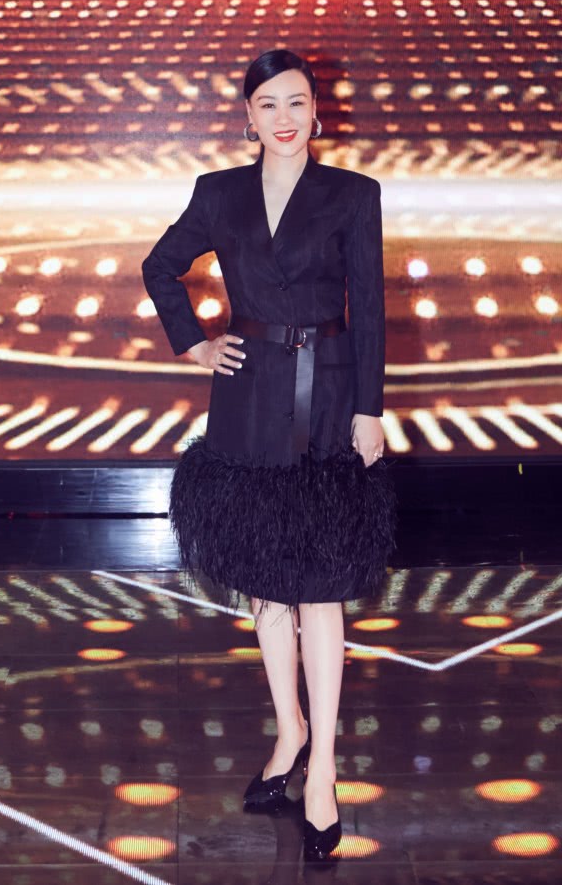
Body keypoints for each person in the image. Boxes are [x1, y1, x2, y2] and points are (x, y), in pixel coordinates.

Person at [141, 48, 397, 861]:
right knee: (266, 584)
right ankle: (288, 731)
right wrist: (193, 342)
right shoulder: (217, 193)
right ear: (247, 117)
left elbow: (369, 309)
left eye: (296, 102)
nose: (284, 118)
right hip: (248, 401)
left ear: (317, 110)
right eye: (268, 105)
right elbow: (159, 267)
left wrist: (368, 410)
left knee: (320, 587)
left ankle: (321, 770)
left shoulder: (352, 194)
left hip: (330, 400)